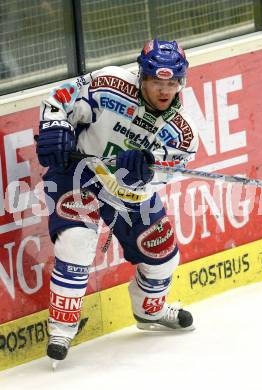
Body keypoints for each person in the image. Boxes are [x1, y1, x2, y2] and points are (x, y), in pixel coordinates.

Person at [36, 39, 198, 363]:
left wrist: (146, 171)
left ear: (181, 82)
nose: (164, 91)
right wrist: (55, 125)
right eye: (156, 82)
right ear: (142, 77)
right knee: (76, 241)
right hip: (76, 170)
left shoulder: (181, 134)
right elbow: (59, 98)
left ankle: (148, 310)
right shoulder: (109, 84)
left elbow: (167, 172)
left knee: (162, 253)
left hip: (126, 191)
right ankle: (62, 329)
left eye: (171, 83)